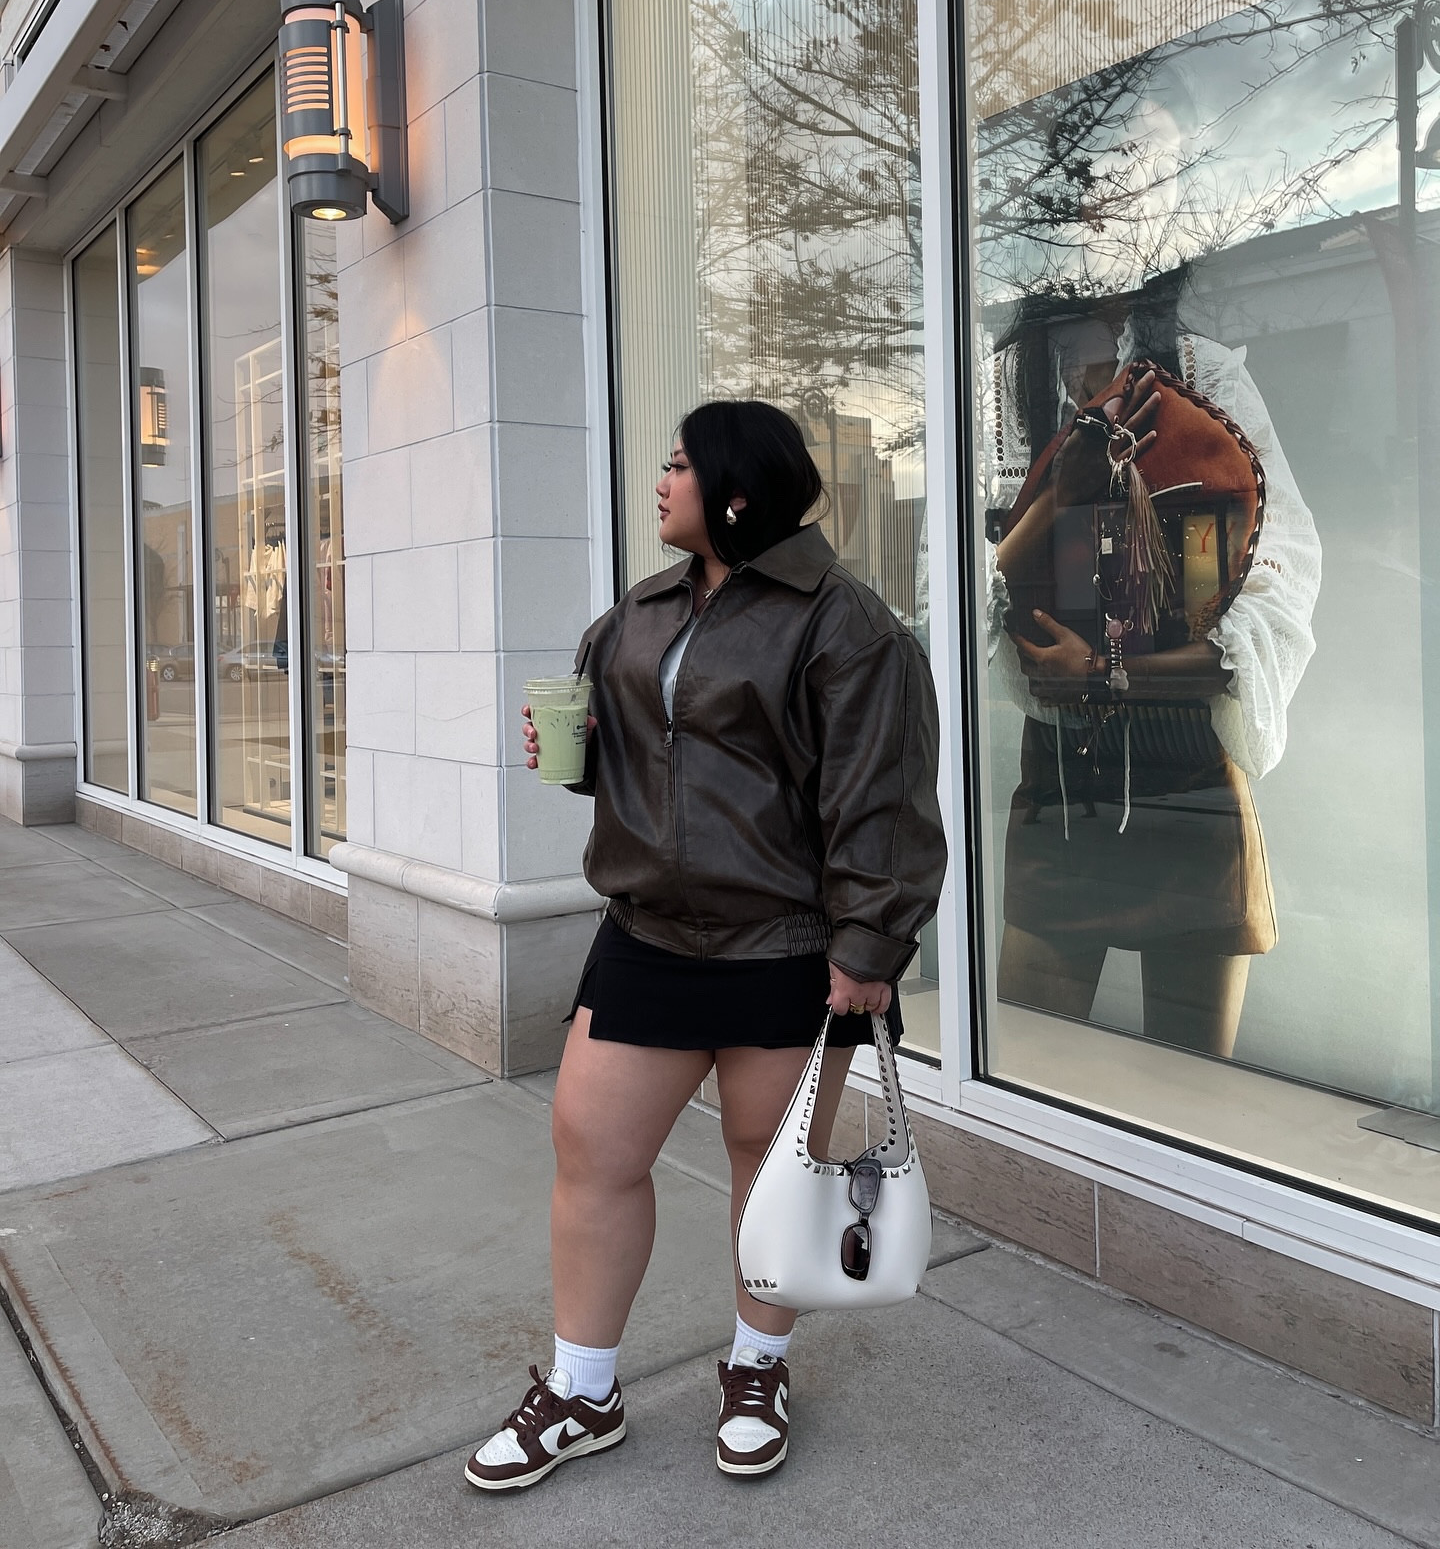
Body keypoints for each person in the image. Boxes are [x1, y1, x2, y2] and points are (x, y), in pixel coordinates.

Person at [464, 398, 946, 1491]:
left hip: (787, 944)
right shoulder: (641, 612)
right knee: (592, 1151)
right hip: (647, 937)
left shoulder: (843, 623)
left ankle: (757, 1367)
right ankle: (583, 1389)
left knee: (768, 1170)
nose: (661, 481)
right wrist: (575, 751)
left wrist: (870, 944)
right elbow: (636, 761)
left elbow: (884, 799)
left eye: (679, 466)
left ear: (735, 489)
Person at [987, 269, 1320, 1055]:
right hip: (1064, 790)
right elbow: (958, 593)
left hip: (1192, 787)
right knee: (1024, 1080)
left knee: (1189, 1103)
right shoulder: (1003, 389)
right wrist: (1057, 494)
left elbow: (1279, 586)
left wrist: (1106, 674)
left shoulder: (1204, 375)